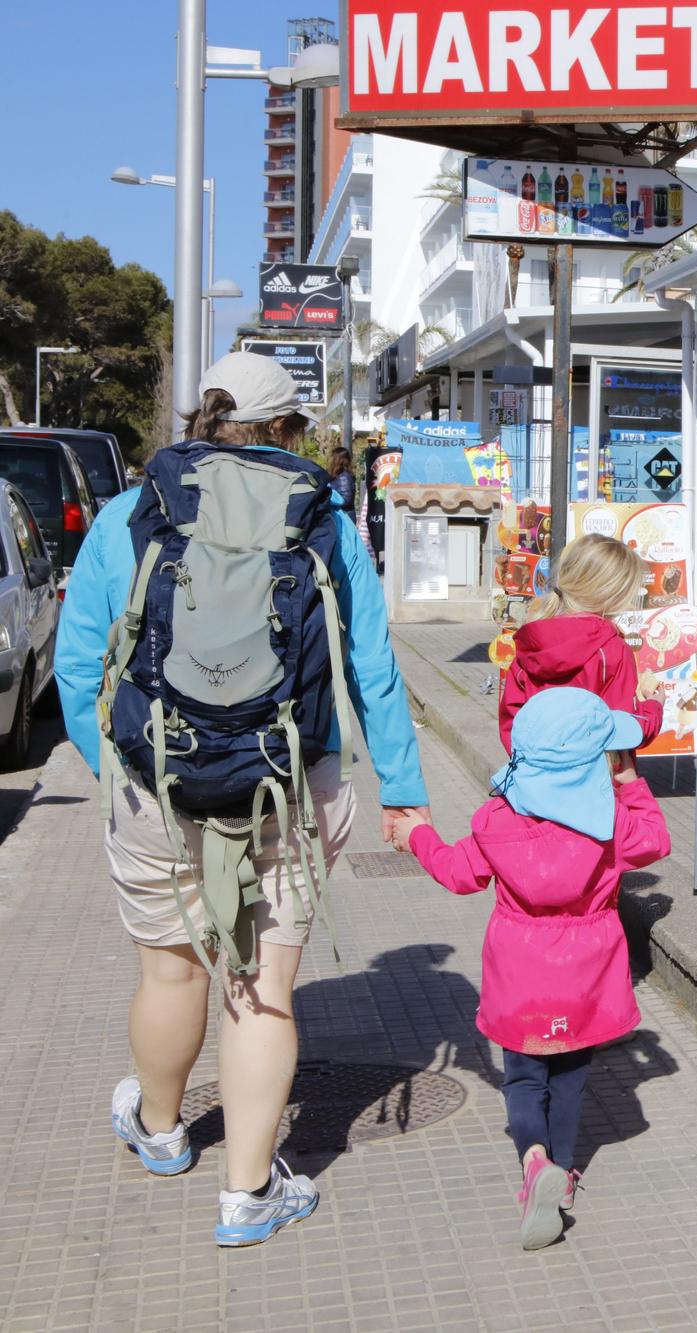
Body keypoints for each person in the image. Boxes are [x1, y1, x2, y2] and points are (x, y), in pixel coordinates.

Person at [53, 352, 430, 1247]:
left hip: (159, 778)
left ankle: (159, 1127)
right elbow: (372, 666)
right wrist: (405, 792)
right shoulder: (326, 517)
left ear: (201, 416)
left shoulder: (131, 513)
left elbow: (79, 666)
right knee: (263, 991)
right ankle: (248, 1193)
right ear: (289, 428)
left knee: (170, 967)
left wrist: (118, 770)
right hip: (293, 782)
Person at [391, 687, 669, 1250]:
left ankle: (534, 1161)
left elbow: (454, 873)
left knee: (524, 1077)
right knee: (569, 1078)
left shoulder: (496, 820)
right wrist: (631, 780)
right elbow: (658, 838)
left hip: (520, 975)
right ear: (596, 763)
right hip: (587, 976)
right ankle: (563, 1169)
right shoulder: (611, 823)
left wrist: (415, 834)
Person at [497, 533, 662, 751]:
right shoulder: (611, 650)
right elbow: (624, 730)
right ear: (615, 595)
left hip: (538, 778)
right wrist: (654, 707)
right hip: (595, 780)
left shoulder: (531, 642)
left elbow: (512, 724)